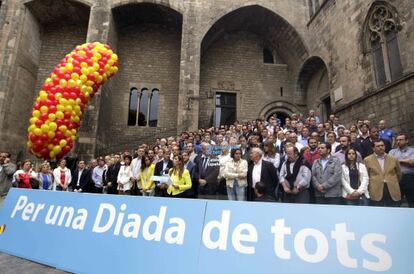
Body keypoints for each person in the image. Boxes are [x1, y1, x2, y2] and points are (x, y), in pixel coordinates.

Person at [364, 140, 402, 207]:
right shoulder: (367, 160)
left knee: (393, 211)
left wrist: (393, 181)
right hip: (375, 189)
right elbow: (365, 176)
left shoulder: (393, 159)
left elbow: (399, 174)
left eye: (382, 145)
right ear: (373, 148)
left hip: (392, 188)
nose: (381, 147)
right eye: (378, 146)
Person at [389, 134, 414, 207]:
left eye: (401, 140)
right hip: (396, 178)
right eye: (397, 140)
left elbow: (411, 162)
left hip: (409, 178)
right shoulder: (392, 151)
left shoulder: (412, 151)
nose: (398, 141)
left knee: (412, 200)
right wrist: (405, 161)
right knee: (396, 201)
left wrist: (396, 161)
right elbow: (389, 163)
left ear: (406, 141)